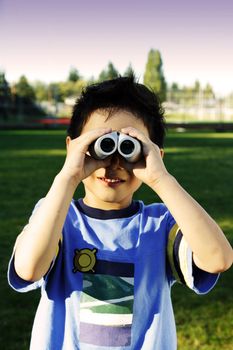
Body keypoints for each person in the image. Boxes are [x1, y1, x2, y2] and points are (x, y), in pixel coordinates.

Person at [8, 76, 232, 350]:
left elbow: (218, 258)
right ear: (73, 147)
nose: (113, 162)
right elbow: (29, 268)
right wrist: (68, 175)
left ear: (154, 155)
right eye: (100, 144)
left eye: (129, 147)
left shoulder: (161, 225)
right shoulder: (57, 217)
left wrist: (162, 179)